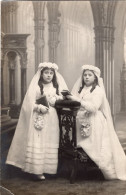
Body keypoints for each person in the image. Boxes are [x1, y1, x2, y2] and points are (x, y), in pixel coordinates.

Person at [6, 62, 68, 180]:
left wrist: (56, 98)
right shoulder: (35, 87)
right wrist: (38, 107)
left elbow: (61, 99)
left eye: (51, 73)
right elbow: (28, 104)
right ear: (41, 74)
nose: (49, 75)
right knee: (38, 140)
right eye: (46, 73)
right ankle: (36, 170)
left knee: (49, 140)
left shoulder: (56, 88)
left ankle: (48, 169)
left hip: (51, 118)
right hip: (38, 117)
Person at [66, 64, 126, 180]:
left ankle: (99, 166)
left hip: (94, 120)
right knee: (79, 141)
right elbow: (78, 103)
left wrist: (77, 100)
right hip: (83, 119)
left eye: (89, 75)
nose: (87, 77)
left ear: (95, 78)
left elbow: (93, 107)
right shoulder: (82, 89)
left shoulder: (98, 90)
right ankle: (81, 160)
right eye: (85, 75)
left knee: (95, 145)